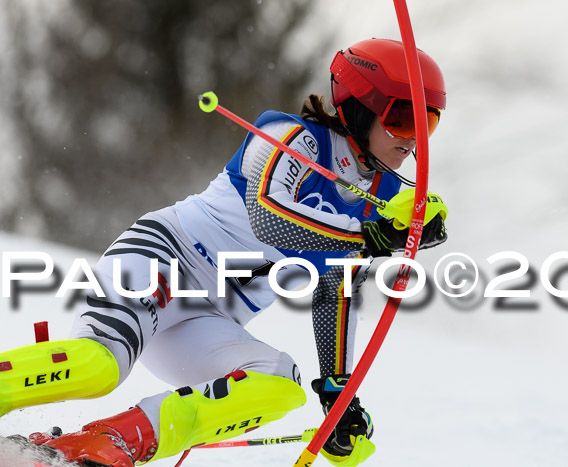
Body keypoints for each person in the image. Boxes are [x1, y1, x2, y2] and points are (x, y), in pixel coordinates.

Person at [0, 38, 448, 467]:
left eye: (428, 124)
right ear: (359, 105)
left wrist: (337, 393)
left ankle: (101, 443)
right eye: (404, 119)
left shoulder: (383, 195)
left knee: (278, 385)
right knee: (98, 368)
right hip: (162, 261)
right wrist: (368, 235)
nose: (414, 140)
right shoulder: (288, 136)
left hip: (206, 319)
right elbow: (269, 217)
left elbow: (335, 289)